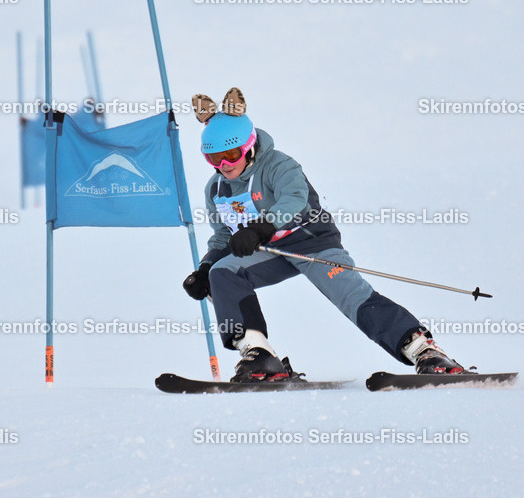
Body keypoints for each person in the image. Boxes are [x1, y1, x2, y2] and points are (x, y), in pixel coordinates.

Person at [183, 88, 467, 382]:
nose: (224, 165)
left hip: (311, 242)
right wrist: (206, 267)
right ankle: (259, 357)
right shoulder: (216, 189)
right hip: (271, 252)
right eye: (213, 158)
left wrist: (261, 227)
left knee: (349, 294)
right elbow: (221, 235)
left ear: (249, 145)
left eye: (230, 154)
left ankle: (424, 351)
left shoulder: (279, 165)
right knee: (222, 274)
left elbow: (294, 199)